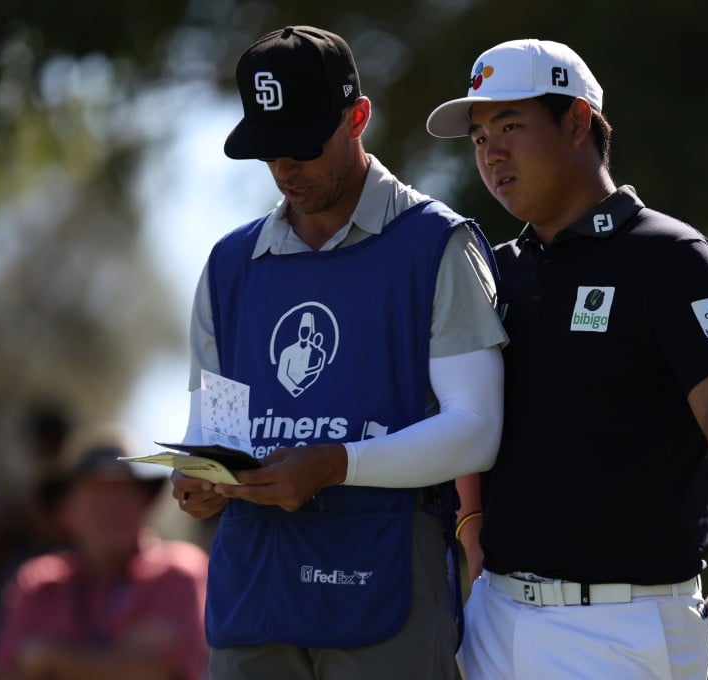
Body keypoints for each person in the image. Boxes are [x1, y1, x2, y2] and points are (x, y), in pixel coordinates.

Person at [426, 38, 708, 679]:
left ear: (577, 122)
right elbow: (470, 416)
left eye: (511, 125)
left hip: (623, 629)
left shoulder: (669, 255)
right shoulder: (497, 271)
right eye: (480, 135)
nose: (492, 151)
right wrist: (472, 534)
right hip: (495, 618)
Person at [169, 25, 507, 680]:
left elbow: (476, 432)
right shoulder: (229, 264)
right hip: (253, 595)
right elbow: (216, 430)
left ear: (358, 117)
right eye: (269, 150)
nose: (285, 168)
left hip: (384, 584)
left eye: (301, 145)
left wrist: (332, 466)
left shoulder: (437, 244)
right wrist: (200, 481)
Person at [0, 423, 210, 680]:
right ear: (64, 512)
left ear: (144, 504)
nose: (110, 511)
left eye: (122, 496)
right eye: (95, 497)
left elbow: (162, 670)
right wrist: (126, 656)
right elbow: (4, 672)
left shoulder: (180, 572)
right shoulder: (37, 582)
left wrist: (50, 657)